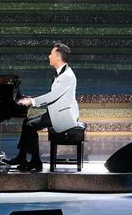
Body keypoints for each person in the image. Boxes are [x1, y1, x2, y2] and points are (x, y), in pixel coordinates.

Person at [8, 42, 79, 172]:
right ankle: (21, 157)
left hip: (63, 116)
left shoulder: (67, 76)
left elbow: (53, 96)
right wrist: (31, 99)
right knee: (26, 121)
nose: (49, 56)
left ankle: (36, 161)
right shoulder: (62, 73)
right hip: (56, 112)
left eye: (51, 54)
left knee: (30, 126)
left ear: (58, 57)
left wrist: (31, 101)